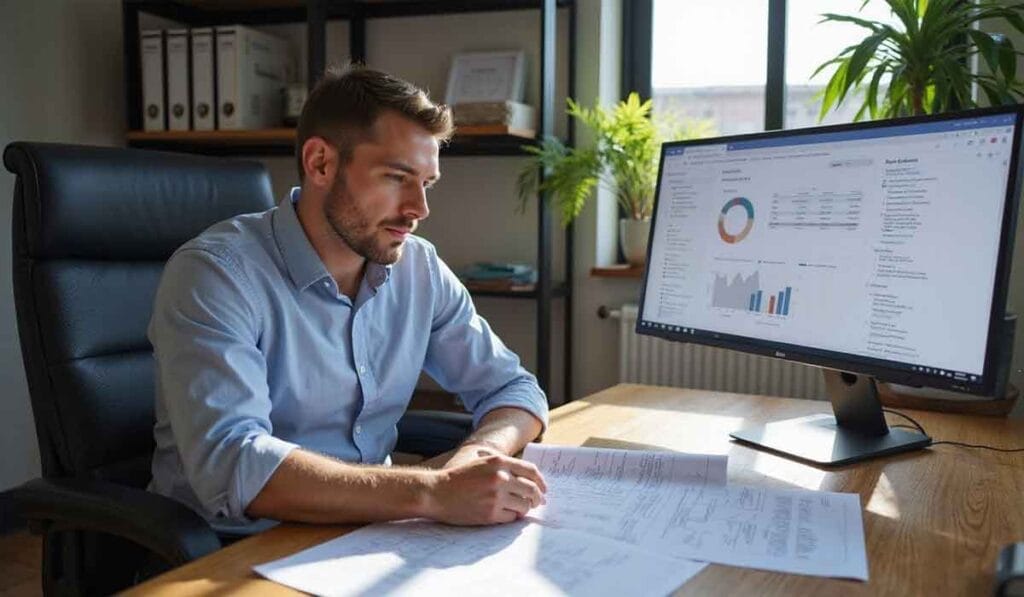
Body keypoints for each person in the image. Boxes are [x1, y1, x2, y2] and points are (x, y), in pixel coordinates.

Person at [148, 65, 548, 534]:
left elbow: (514, 390)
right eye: (397, 177)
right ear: (320, 163)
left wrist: (476, 457)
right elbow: (235, 463)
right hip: (230, 550)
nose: (420, 208)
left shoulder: (419, 269)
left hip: (369, 529)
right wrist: (433, 491)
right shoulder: (215, 274)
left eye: (427, 183)